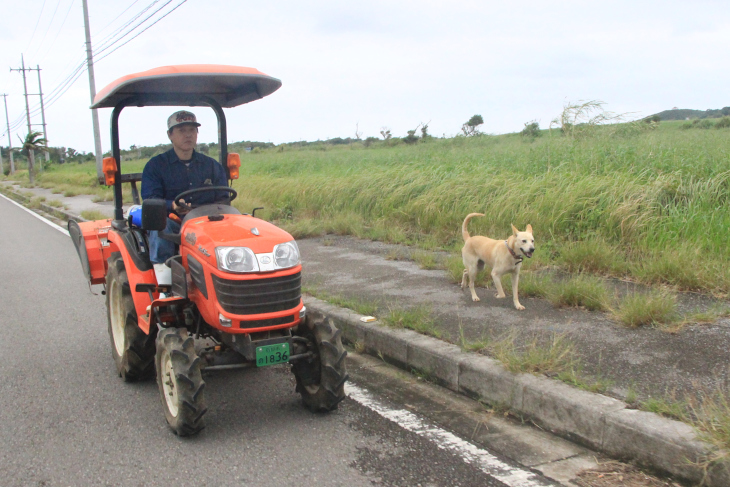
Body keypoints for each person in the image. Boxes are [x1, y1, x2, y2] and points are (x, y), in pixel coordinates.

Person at [141, 110, 228, 268]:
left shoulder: (212, 166)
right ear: (170, 135)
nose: (188, 135)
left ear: (197, 133)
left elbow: (223, 197)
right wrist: (172, 205)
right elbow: (151, 199)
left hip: (207, 220)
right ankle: (165, 281)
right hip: (175, 222)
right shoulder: (156, 166)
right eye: (182, 131)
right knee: (161, 226)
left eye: (192, 130)